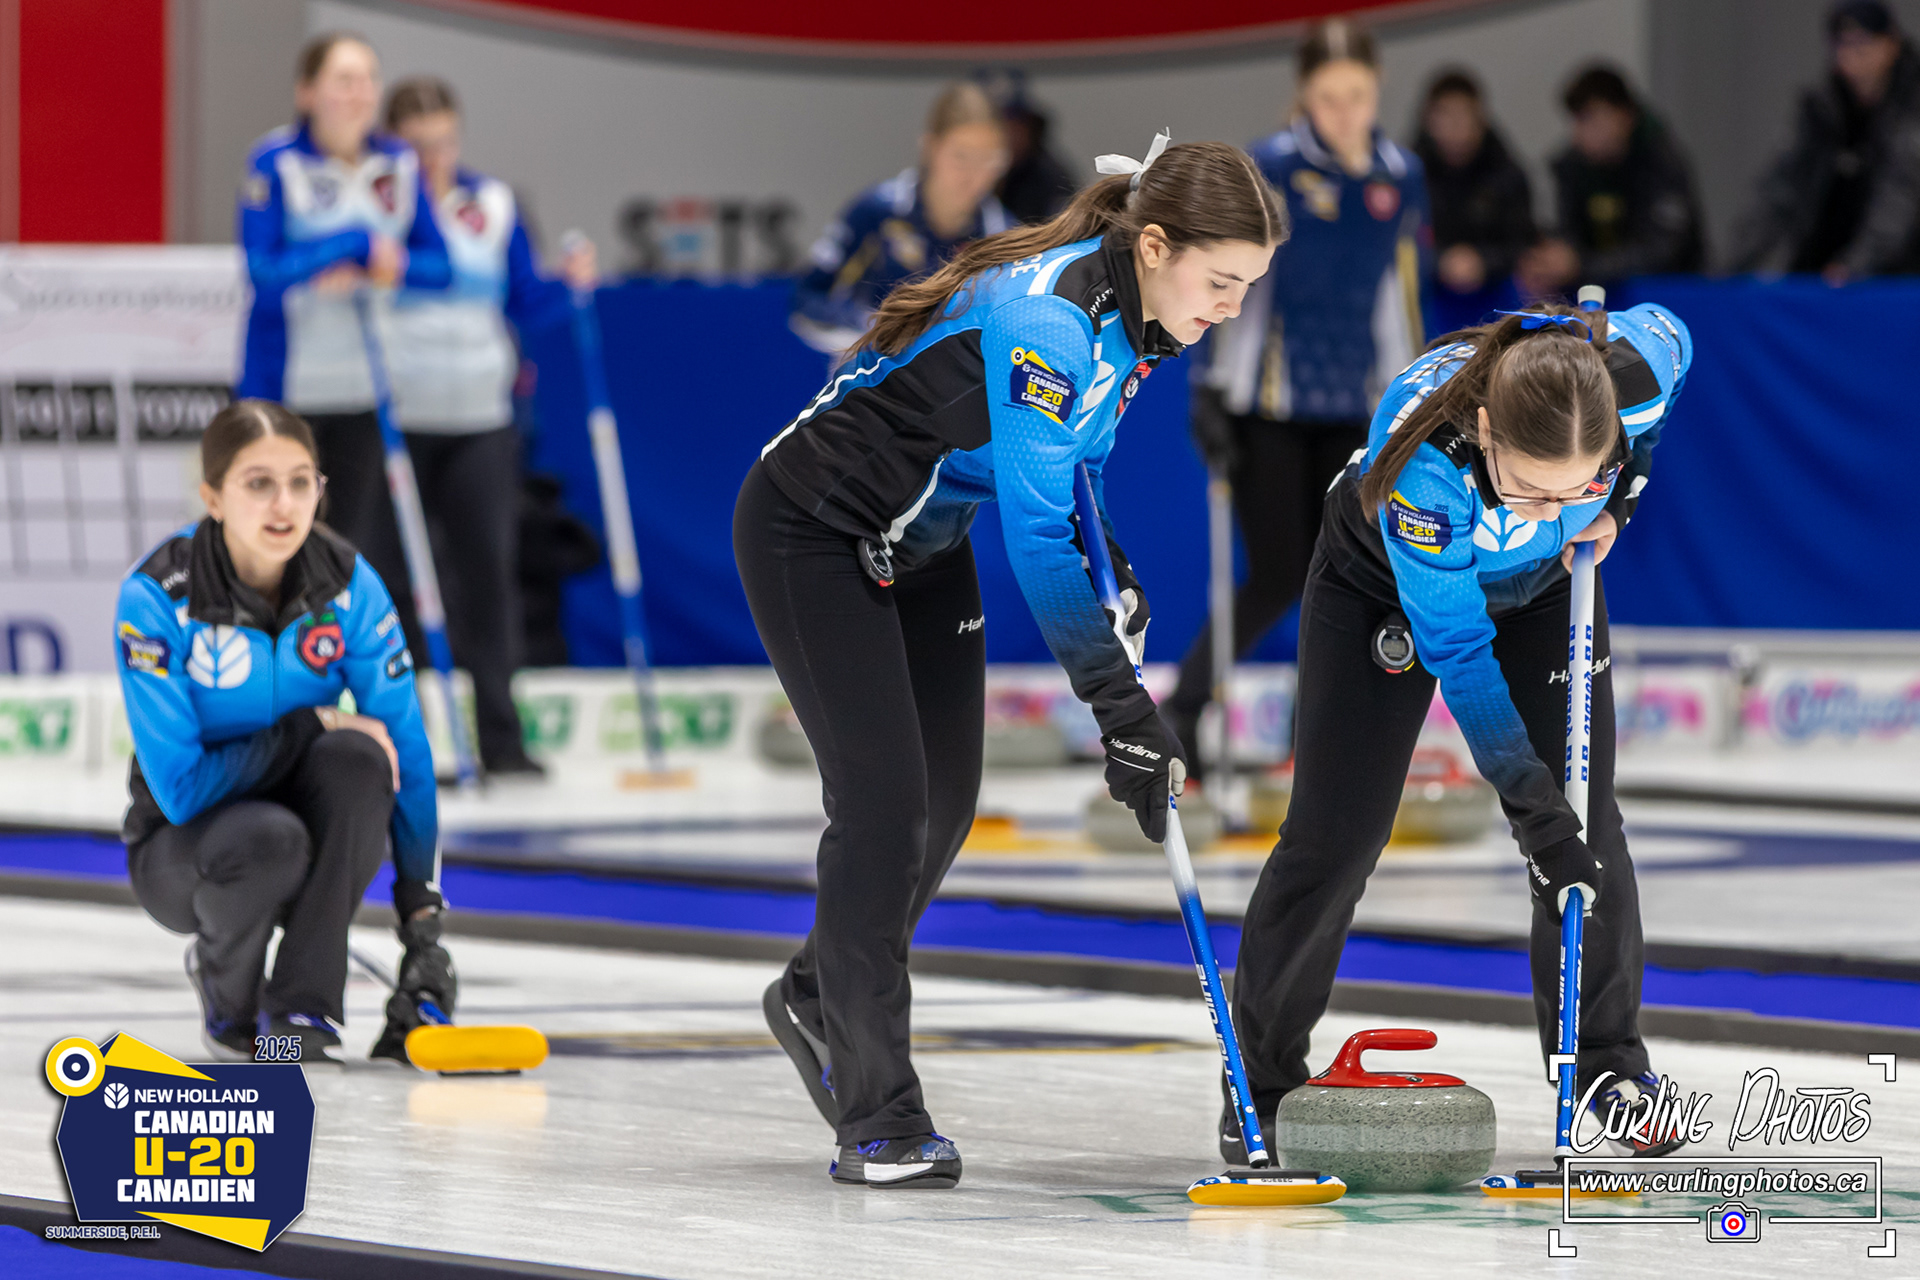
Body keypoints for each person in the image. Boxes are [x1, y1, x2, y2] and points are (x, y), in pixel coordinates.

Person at [739, 136, 1286, 1187]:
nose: (1230, 309)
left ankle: (815, 994)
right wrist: (1121, 708)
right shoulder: (1051, 319)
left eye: (1247, 289)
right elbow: (1036, 539)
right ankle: (877, 1113)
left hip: (924, 540)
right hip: (813, 529)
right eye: (1221, 282)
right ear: (1157, 247)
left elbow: (1073, 478)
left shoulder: (1139, 324)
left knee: (946, 803)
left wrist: (1116, 570)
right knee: (884, 807)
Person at [1221, 298, 1694, 1166]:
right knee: (1336, 835)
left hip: (1546, 588)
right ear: (1484, 432)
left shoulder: (1635, 372)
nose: (1550, 508)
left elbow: (1673, 353)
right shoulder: (1425, 464)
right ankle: (1260, 1080)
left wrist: (1616, 504)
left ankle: (1607, 1068)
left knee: (1590, 825)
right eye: (1529, 489)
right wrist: (1535, 822)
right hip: (1383, 589)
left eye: (1575, 487)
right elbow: (1461, 657)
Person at [115, 401, 453, 1067]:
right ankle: (231, 1006)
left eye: (301, 482)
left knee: (362, 760)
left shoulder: (349, 586)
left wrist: (423, 925)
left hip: (303, 827)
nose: (284, 504)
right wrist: (307, 725)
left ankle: (299, 1014)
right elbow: (181, 791)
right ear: (213, 497)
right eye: (259, 483)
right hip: (185, 845)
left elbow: (407, 753)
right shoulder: (156, 596)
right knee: (272, 836)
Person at [1170, 19, 1429, 777]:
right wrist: (1211, 390)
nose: (1344, 113)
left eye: (1357, 96)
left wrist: (1412, 400)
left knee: (1349, 577)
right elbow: (1238, 285)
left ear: (1377, 90)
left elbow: (1397, 295)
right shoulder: (1274, 167)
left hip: (1355, 412)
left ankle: (1311, 737)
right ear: (1304, 95)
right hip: (1268, 408)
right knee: (1280, 573)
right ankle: (1184, 708)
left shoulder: (1401, 176)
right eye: (1328, 98)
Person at [380, 76, 596, 776]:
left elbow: (525, 299)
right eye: (416, 147)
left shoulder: (493, 203)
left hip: (481, 418)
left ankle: (502, 739)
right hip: (397, 417)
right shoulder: (375, 207)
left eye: (444, 143)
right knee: (397, 583)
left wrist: (569, 282)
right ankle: (401, 741)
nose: (432, 160)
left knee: (488, 575)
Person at [788, 82, 1013, 354]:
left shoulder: (1007, 238)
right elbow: (807, 297)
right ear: (930, 147)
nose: (974, 176)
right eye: (961, 156)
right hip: (867, 370)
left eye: (989, 160)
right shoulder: (877, 210)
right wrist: (870, 327)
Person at [1728, 0, 1920, 282]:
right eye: (1843, 44)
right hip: (1822, 273)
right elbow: (1780, 190)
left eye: (1863, 43)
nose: (1853, 56)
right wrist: (1731, 267)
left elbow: (1900, 197)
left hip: (1898, 281)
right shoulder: (1822, 108)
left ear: (1891, 44)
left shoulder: (1911, 107)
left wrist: (1856, 267)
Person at [1520, 65, 1704, 297]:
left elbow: (1663, 251)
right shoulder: (1569, 166)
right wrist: (1551, 261)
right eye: (1578, 121)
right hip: (1597, 293)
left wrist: (1581, 265)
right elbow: (1564, 232)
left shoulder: (1663, 163)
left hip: (1672, 295)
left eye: (1593, 119)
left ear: (1625, 116)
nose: (1582, 133)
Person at [1413, 70, 1537, 333]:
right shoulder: (1409, 175)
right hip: (1431, 297)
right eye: (1446, 115)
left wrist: (1482, 262)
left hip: (1496, 296)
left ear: (1480, 119)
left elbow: (1524, 242)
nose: (1456, 126)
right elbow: (1399, 244)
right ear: (1429, 120)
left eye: (1464, 115)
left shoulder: (1507, 173)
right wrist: (1440, 263)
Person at [978, 68, 1079, 224]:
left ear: (1031, 129)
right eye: (995, 126)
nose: (1006, 136)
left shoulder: (1053, 181)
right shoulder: (951, 173)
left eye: (1015, 126)